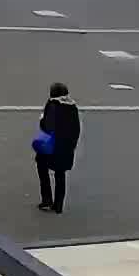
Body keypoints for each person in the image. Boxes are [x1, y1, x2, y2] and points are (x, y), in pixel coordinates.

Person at [34, 82, 79, 213]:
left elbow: (48, 127)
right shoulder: (73, 107)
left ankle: (47, 199)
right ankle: (58, 205)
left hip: (50, 146)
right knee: (60, 174)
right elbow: (76, 129)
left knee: (42, 167)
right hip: (66, 149)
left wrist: (42, 121)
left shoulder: (52, 105)